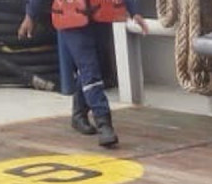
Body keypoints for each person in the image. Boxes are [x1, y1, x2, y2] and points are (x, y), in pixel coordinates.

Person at [19, 0, 149, 147]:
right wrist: (30, 15)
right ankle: (104, 124)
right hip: (70, 20)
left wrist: (135, 11)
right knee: (90, 69)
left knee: (93, 67)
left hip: (101, 16)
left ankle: (79, 113)